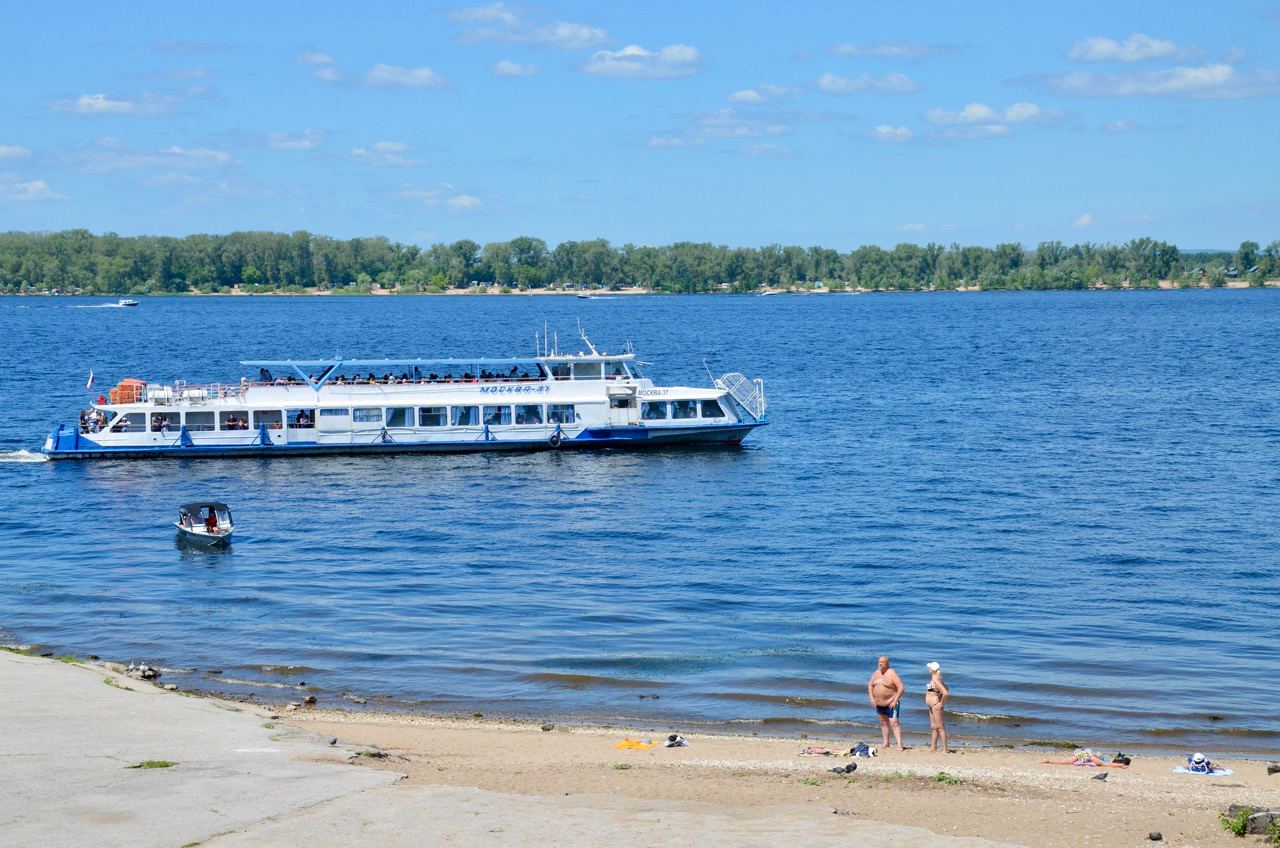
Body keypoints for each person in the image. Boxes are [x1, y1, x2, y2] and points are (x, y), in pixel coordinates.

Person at [868, 655, 905, 751]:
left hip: (891, 703)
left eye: (882, 662)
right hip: (879, 704)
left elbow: (901, 687)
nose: (880, 664)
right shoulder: (876, 673)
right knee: (883, 723)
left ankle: (899, 744)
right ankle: (886, 743)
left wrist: (895, 700)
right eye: (879, 662)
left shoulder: (892, 673)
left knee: (894, 723)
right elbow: (870, 685)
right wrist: (872, 698)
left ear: (887, 664)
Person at [924, 661, 950, 753]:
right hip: (931, 705)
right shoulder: (935, 678)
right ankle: (933, 747)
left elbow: (945, 693)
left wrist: (941, 703)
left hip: (935, 705)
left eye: (929, 667)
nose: (928, 668)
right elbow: (947, 688)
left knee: (940, 727)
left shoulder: (935, 679)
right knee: (934, 727)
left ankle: (944, 749)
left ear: (932, 670)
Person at [1041, 748, 1128, 768]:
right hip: (1086, 755)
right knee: (1105, 764)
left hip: (1082, 754)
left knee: (1064, 761)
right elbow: (1105, 762)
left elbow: (1063, 761)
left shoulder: (1079, 755)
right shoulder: (1093, 756)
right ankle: (1120, 765)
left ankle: (1049, 761)